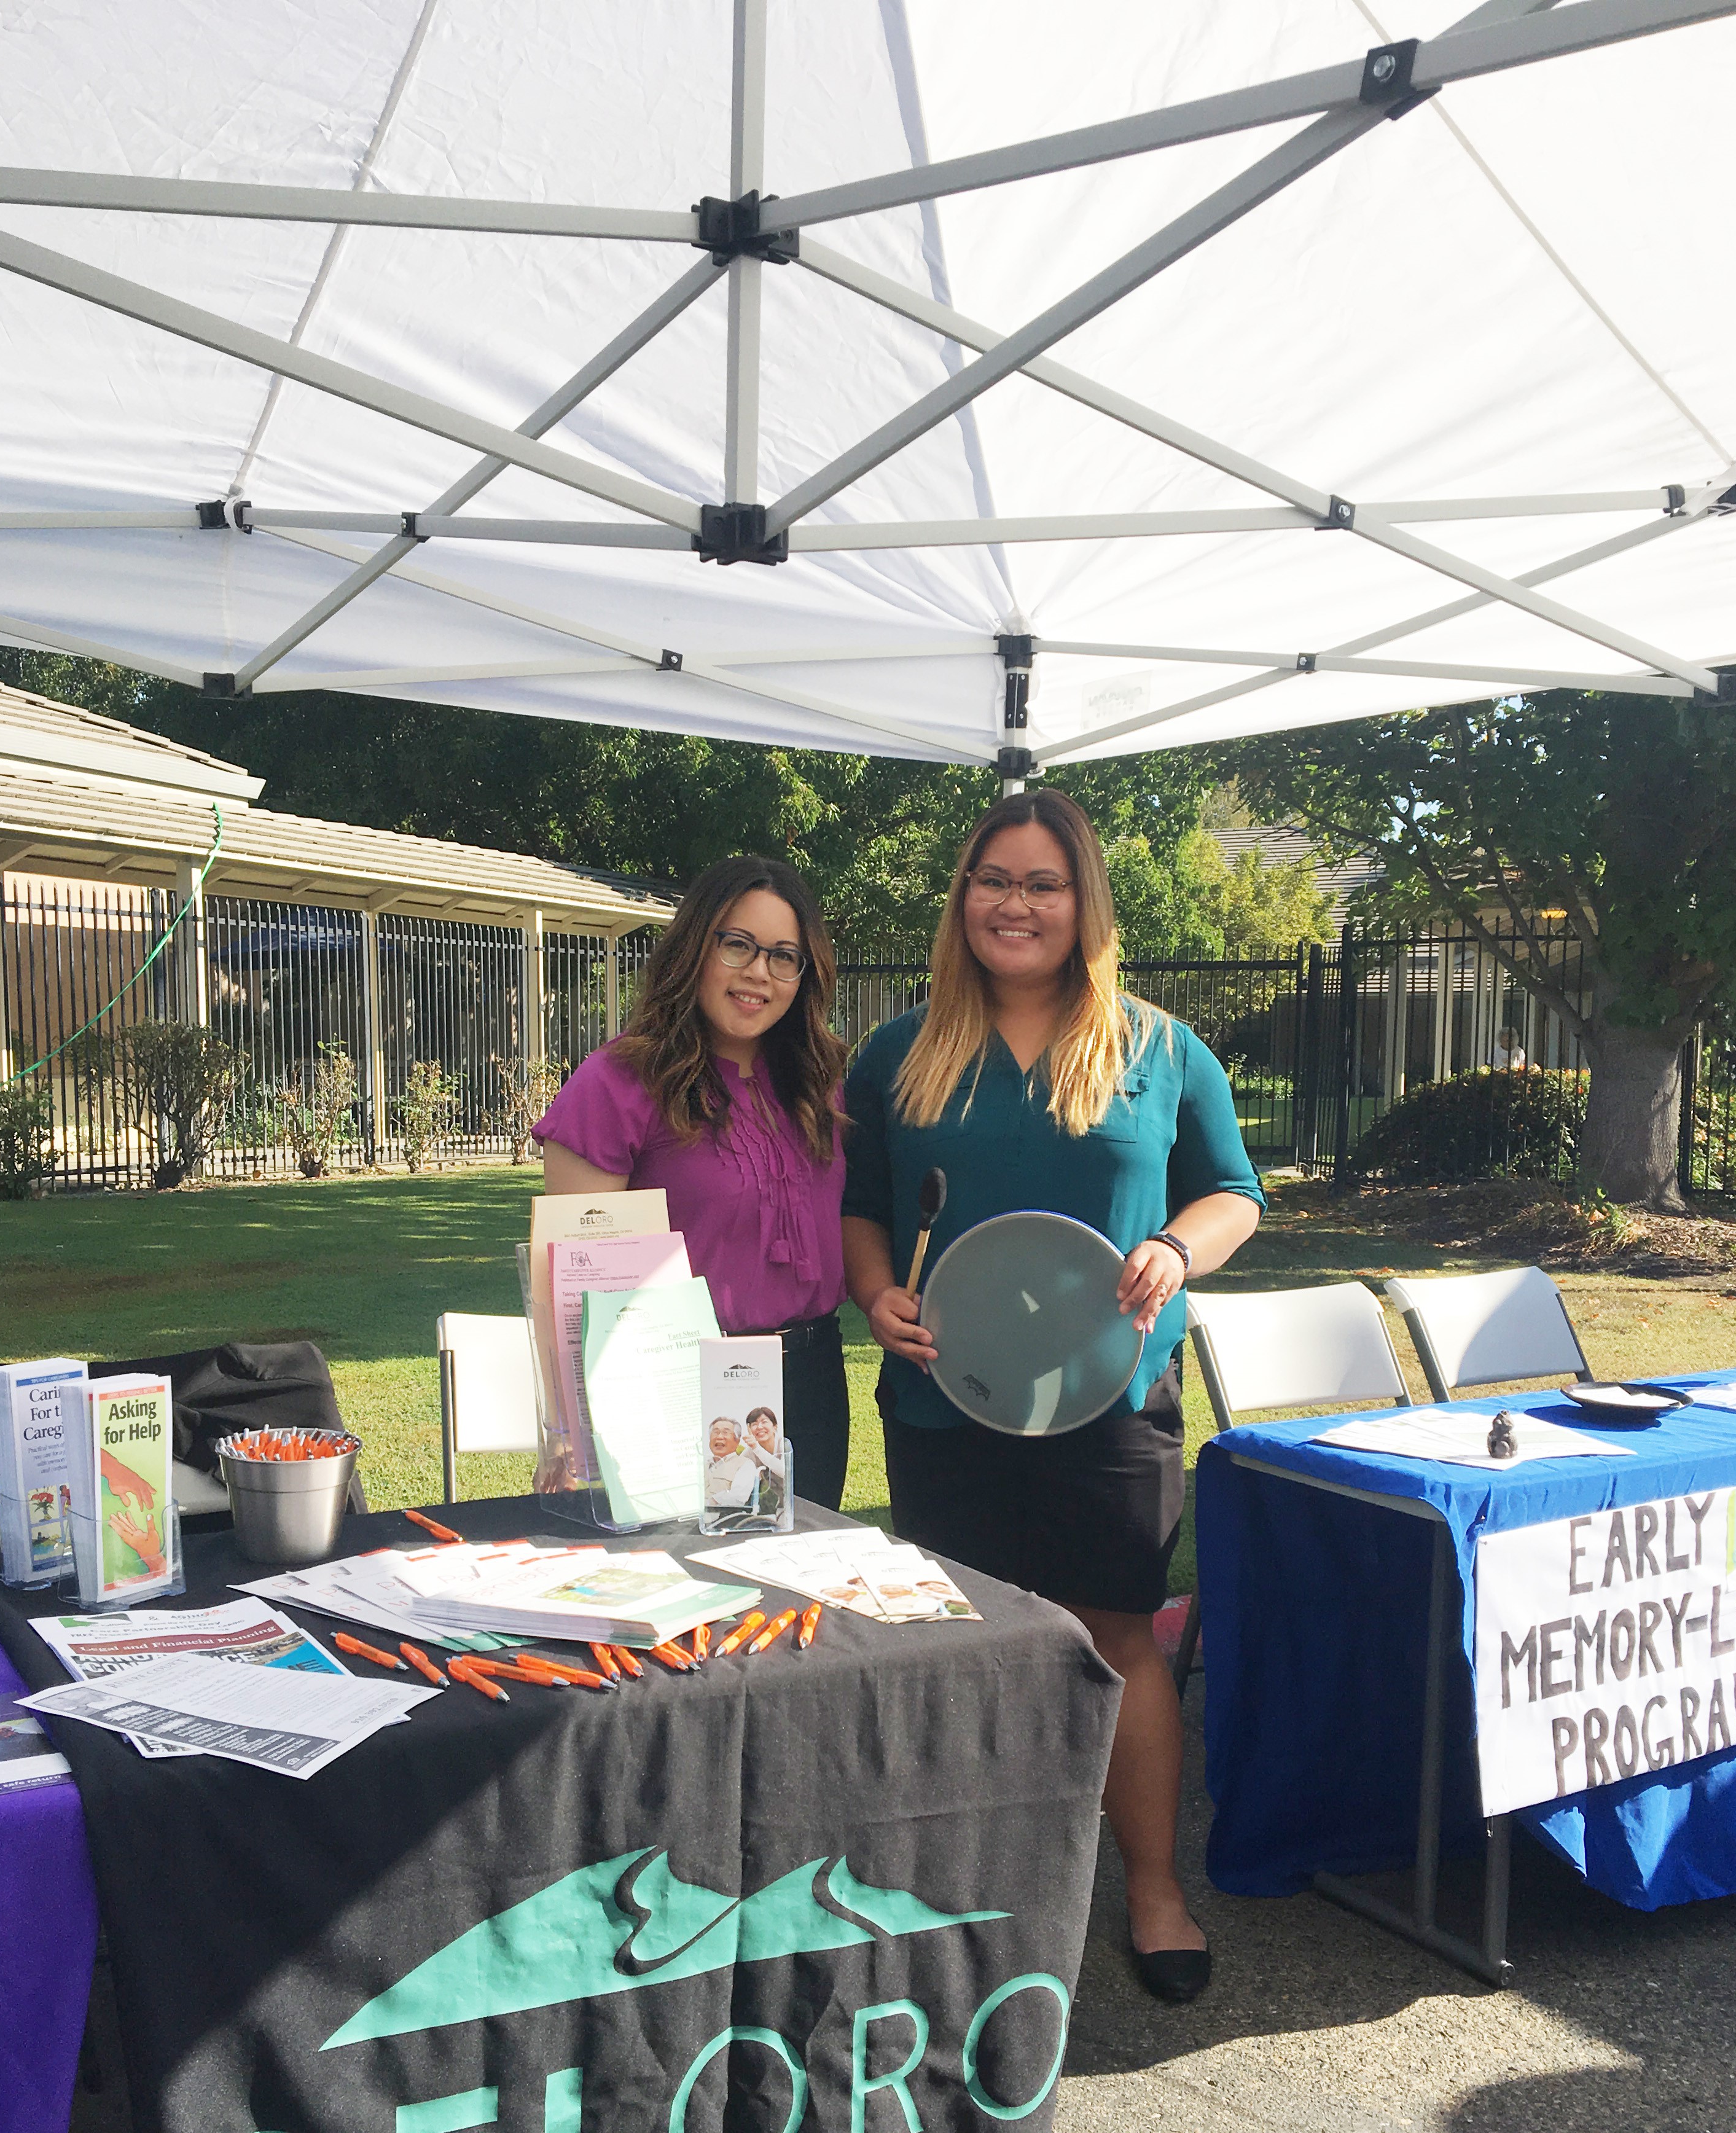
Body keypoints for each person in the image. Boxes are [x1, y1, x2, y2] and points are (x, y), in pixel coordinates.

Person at [842, 787, 1264, 2005]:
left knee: (1116, 1637)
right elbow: (860, 1204)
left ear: (1084, 903)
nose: (1014, 904)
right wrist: (876, 1293)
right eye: (992, 880)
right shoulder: (899, 1051)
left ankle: (1152, 1888)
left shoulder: (1160, 1049)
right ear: (962, 899)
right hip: (946, 1400)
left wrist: (1180, 1247)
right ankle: (965, 1891)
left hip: (1110, 1401)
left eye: (1042, 883)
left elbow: (1233, 1192)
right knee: (960, 1647)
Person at [535, 855, 852, 1511]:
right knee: (701, 1595)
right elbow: (569, 1275)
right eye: (737, 944)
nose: (759, 972)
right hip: (685, 1385)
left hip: (815, 1383)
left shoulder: (819, 1084)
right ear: (693, 948)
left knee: (802, 1597)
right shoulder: (619, 1083)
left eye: (784, 956)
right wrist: (567, 1429)